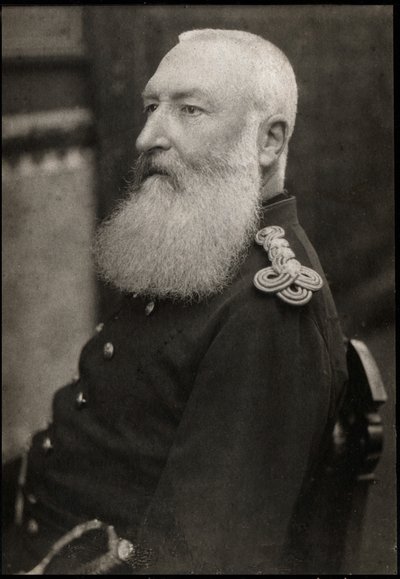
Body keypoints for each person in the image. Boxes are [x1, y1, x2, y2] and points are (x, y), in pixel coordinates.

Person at [2, 29, 348, 574]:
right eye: (150, 107)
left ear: (269, 142)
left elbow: (198, 560)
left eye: (189, 110)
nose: (147, 137)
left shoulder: (269, 310)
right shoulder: (198, 244)